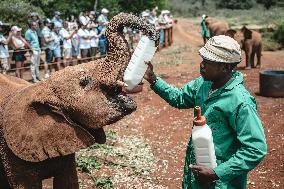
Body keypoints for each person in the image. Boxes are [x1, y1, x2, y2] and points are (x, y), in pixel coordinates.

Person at [143, 35, 267, 189]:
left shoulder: (240, 102)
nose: (202, 65)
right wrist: (153, 79)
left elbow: (255, 149)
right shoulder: (203, 84)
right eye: (203, 60)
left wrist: (217, 173)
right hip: (197, 177)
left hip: (221, 183)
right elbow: (179, 98)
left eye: (208, 62)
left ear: (226, 67)